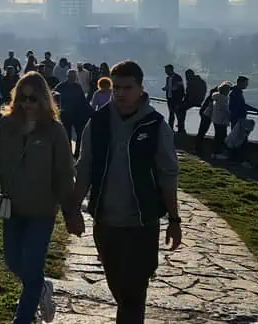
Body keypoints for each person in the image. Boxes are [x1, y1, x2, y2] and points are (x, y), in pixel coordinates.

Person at [71, 60, 181, 324]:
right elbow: (84, 167)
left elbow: (168, 175)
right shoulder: (97, 123)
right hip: (106, 221)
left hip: (142, 222)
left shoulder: (155, 126)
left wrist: (174, 220)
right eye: (117, 87)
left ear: (140, 88)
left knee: (133, 292)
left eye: (127, 87)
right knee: (118, 287)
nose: (120, 93)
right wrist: (73, 208)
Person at [0, 71, 75, 324]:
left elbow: (65, 173)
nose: (27, 104)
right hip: (13, 208)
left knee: (31, 266)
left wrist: (70, 212)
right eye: (23, 99)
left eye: (33, 99)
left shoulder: (54, 131)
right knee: (13, 261)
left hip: (42, 211)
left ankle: (24, 317)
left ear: (43, 100)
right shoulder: (7, 126)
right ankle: (41, 288)